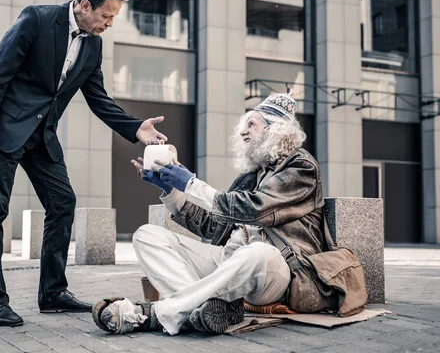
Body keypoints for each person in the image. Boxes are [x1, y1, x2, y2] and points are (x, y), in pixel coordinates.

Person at [0, 0, 167, 327]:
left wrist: (136, 128)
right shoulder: (37, 19)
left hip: (42, 136)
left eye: (113, 18)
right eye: (106, 16)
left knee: (63, 204)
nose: (109, 24)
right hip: (5, 133)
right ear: (84, 5)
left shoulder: (93, 45)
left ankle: (52, 293)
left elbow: (98, 99)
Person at [92, 91, 328, 335]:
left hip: (276, 272)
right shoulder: (250, 177)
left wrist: (191, 183)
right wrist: (171, 190)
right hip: (229, 263)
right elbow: (212, 227)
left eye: (251, 124)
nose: (243, 131)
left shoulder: (301, 167)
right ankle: (202, 311)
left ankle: (155, 314)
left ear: (273, 130)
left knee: (258, 252)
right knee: (146, 235)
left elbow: (253, 209)